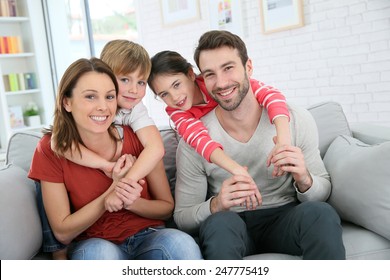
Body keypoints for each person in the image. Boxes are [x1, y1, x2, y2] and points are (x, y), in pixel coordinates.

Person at [173, 30, 345, 260]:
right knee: (220, 224)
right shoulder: (195, 140)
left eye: (228, 68)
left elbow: (322, 191)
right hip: (231, 225)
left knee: (321, 214)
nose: (221, 83)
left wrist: (304, 179)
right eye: (210, 74)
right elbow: (183, 217)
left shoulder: (294, 119)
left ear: (249, 67)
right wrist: (216, 204)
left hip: (285, 218)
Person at [28, 57, 202, 260]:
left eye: (109, 97)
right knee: (100, 255)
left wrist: (130, 201)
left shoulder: (138, 137)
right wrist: (110, 194)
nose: (103, 107)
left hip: (149, 236)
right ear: (67, 102)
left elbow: (165, 208)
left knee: (181, 244)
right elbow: (62, 232)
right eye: (90, 97)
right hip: (95, 241)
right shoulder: (50, 149)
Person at [148, 51, 291, 195]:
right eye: (164, 94)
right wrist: (237, 170)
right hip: (220, 163)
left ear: (191, 74)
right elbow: (198, 140)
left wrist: (283, 142)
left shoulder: (213, 83)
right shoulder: (176, 111)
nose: (174, 97)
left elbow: (271, 95)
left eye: (177, 85)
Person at [51, 40, 165, 213]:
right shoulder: (87, 110)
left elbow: (156, 148)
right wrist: (106, 166)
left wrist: (123, 186)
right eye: (125, 79)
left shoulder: (134, 108)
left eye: (141, 82)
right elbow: (60, 143)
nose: (134, 90)